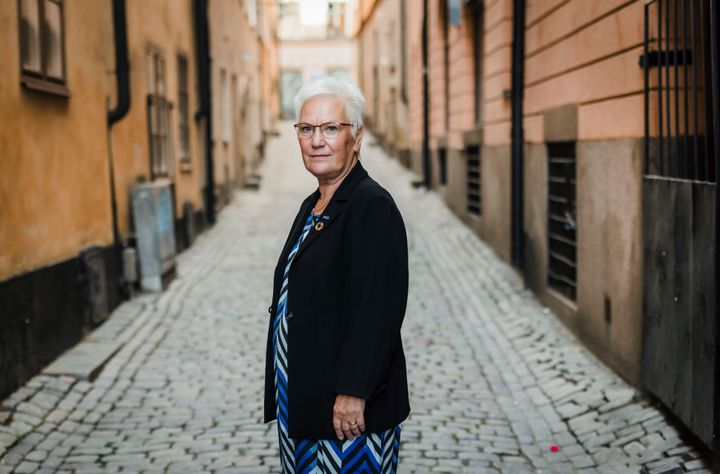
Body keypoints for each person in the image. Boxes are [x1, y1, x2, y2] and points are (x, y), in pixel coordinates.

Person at [263, 77, 410, 473]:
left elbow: (379, 310)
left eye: (330, 128)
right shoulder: (315, 203)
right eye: (306, 129)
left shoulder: (371, 205)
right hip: (306, 401)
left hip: (346, 414)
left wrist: (354, 391)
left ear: (356, 137)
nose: (316, 141)